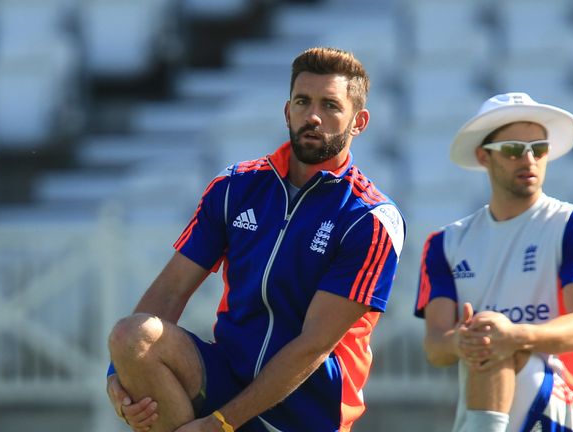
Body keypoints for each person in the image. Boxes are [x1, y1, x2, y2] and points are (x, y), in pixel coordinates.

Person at [106, 47, 405, 432]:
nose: (313, 116)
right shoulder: (234, 187)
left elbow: (313, 346)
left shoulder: (371, 218)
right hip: (227, 378)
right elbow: (168, 294)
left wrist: (219, 425)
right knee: (132, 336)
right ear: (287, 111)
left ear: (358, 122)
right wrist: (117, 378)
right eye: (303, 101)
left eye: (330, 105)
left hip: (310, 408)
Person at [414, 92, 573, 432]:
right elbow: (436, 346)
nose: (529, 159)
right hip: (486, 404)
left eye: (538, 148)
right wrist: (459, 341)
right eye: (512, 149)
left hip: (563, 402)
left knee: (490, 333)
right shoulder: (445, 242)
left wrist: (511, 335)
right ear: (483, 157)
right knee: (486, 335)